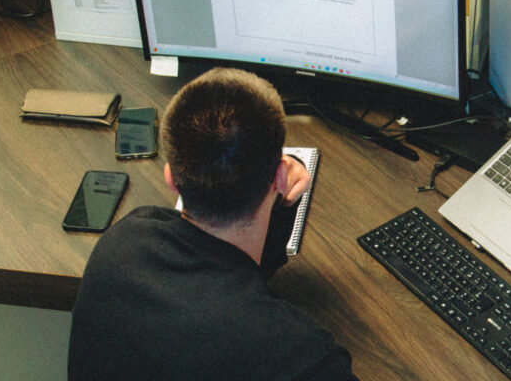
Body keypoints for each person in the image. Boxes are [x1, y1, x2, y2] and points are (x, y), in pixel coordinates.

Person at [68, 68, 356, 380]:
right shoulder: (305, 357)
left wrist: (283, 195)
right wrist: (283, 185)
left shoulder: (122, 242)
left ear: (170, 178)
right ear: (280, 177)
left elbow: (236, 270)